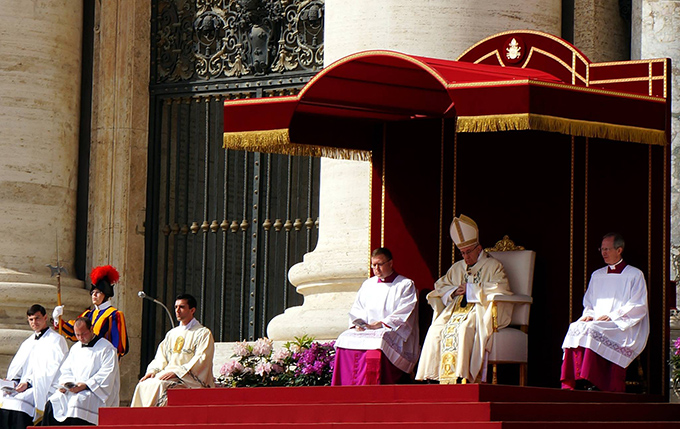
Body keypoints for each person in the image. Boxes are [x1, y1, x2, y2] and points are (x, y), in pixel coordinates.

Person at [416, 214, 512, 383]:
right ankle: (434, 377)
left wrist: (472, 289)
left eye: (468, 252)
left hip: (479, 310)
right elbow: (440, 286)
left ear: (479, 248)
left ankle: (462, 376)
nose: (466, 257)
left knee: (463, 330)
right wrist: (453, 291)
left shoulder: (493, 266)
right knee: (436, 330)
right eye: (462, 253)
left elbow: (501, 287)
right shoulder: (457, 268)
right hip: (455, 311)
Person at [561, 232, 649, 392]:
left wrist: (613, 316)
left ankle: (597, 379)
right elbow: (589, 302)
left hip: (621, 325)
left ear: (619, 250)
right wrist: (589, 314)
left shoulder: (634, 275)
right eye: (602, 249)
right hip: (599, 322)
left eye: (607, 249)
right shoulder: (598, 275)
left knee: (593, 329)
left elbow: (638, 305)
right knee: (575, 327)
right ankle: (572, 384)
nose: (604, 253)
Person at [332, 248, 419, 385]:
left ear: (390, 263)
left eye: (380, 264)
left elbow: (404, 312)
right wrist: (358, 324)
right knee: (344, 338)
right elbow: (358, 307)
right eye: (373, 265)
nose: (376, 269)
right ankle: (345, 386)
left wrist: (380, 324)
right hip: (367, 329)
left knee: (379, 341)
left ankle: (372, 386)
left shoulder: (405, 285)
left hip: (391, 330)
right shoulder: (368, 284)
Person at [131, 294, 215, 407]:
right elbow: (161, 357)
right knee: (143, 385)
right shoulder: (172, 334)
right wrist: (152, 371)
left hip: (186, 379)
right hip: (168, 374)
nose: (177, 310)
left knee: (161, 385)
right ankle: (139, 420)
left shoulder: (203, 333)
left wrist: (177, 372)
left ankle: (153, 420)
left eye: (182, 307)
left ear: (192, 310)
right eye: (176, 307)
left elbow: (202, 358)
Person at [41, 317, 119, 426]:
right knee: (53, 402)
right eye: (77, 335)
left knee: (77, 403)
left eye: (84, 334)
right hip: (74, 389)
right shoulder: (75, 348)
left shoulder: (106, 348)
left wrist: (86, 385)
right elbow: (66, 370)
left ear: (91, 329)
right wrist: (67, 384)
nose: (81, 338)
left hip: (94, 392)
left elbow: (107, 373)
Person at [0, 305, 68, 428]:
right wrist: (12, 381)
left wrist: (29, 383)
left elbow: (51, 370)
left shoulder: (56, 340)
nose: (34, 322)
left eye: (37, 318)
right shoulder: (28, 342)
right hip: (22, 386)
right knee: (3, 397)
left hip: (42, 387)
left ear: (45, 318)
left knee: (19, 403)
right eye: (31, 319)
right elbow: (18, 367)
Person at [53, 265, 129, 358]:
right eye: (93, 293)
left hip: (103, 357)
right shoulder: (88, 314)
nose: (94, 295)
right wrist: (58, 319)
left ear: (105, 294)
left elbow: (118, 345)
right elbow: (73, 332)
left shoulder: (114, 314)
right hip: (86, 356)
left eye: (98, 292)